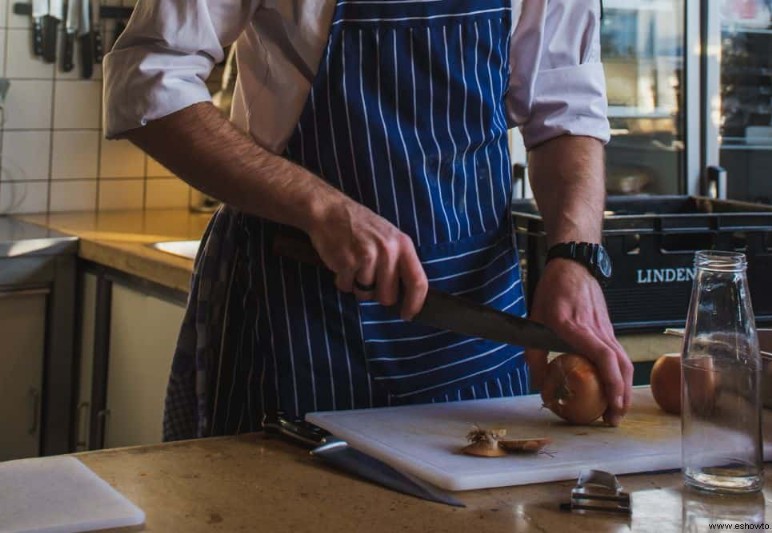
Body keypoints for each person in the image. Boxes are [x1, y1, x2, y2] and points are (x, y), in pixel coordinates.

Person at [103, 0, 633, 441]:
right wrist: (320, 206)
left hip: (474, 319)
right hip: (297, 311)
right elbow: (148, 78)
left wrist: (575, 255)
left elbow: (563, 114)